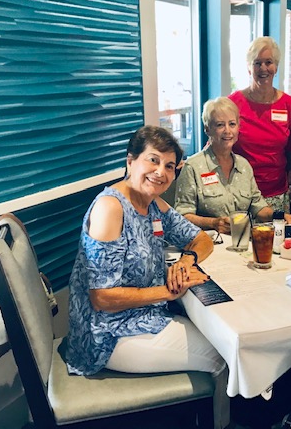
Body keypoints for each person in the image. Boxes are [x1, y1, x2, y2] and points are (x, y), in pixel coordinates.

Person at [65, 126, 227, 422]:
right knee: (223, 355)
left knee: (217, 333)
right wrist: (169, 291)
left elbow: (201, 239)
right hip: (108, 335)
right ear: (130, 161)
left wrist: (187, 261)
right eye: (153, 160)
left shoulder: (153, 204)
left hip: (145, 317)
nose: (161, 172)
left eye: (169, 166)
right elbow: (102, 298)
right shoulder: (111, 208)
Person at [175, 97, 291, 234]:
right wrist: (213, 223)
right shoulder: (193, 167)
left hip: (242, 241)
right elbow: (182, 216)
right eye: (220, 125)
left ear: (238, 128)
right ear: (207, 129)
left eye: (232, 124)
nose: (227, 131)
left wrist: (278, 216)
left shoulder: (244, 165)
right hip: (209, 242)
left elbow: (258, 206)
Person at [229, 36, 291, 213]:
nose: (263, 68)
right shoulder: (233, 103)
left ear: (276, 67)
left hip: (277, 193)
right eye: (257, 63)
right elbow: (219, 142)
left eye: (269, 62)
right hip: (240, 193)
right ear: (249, 68)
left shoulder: (288, 104)